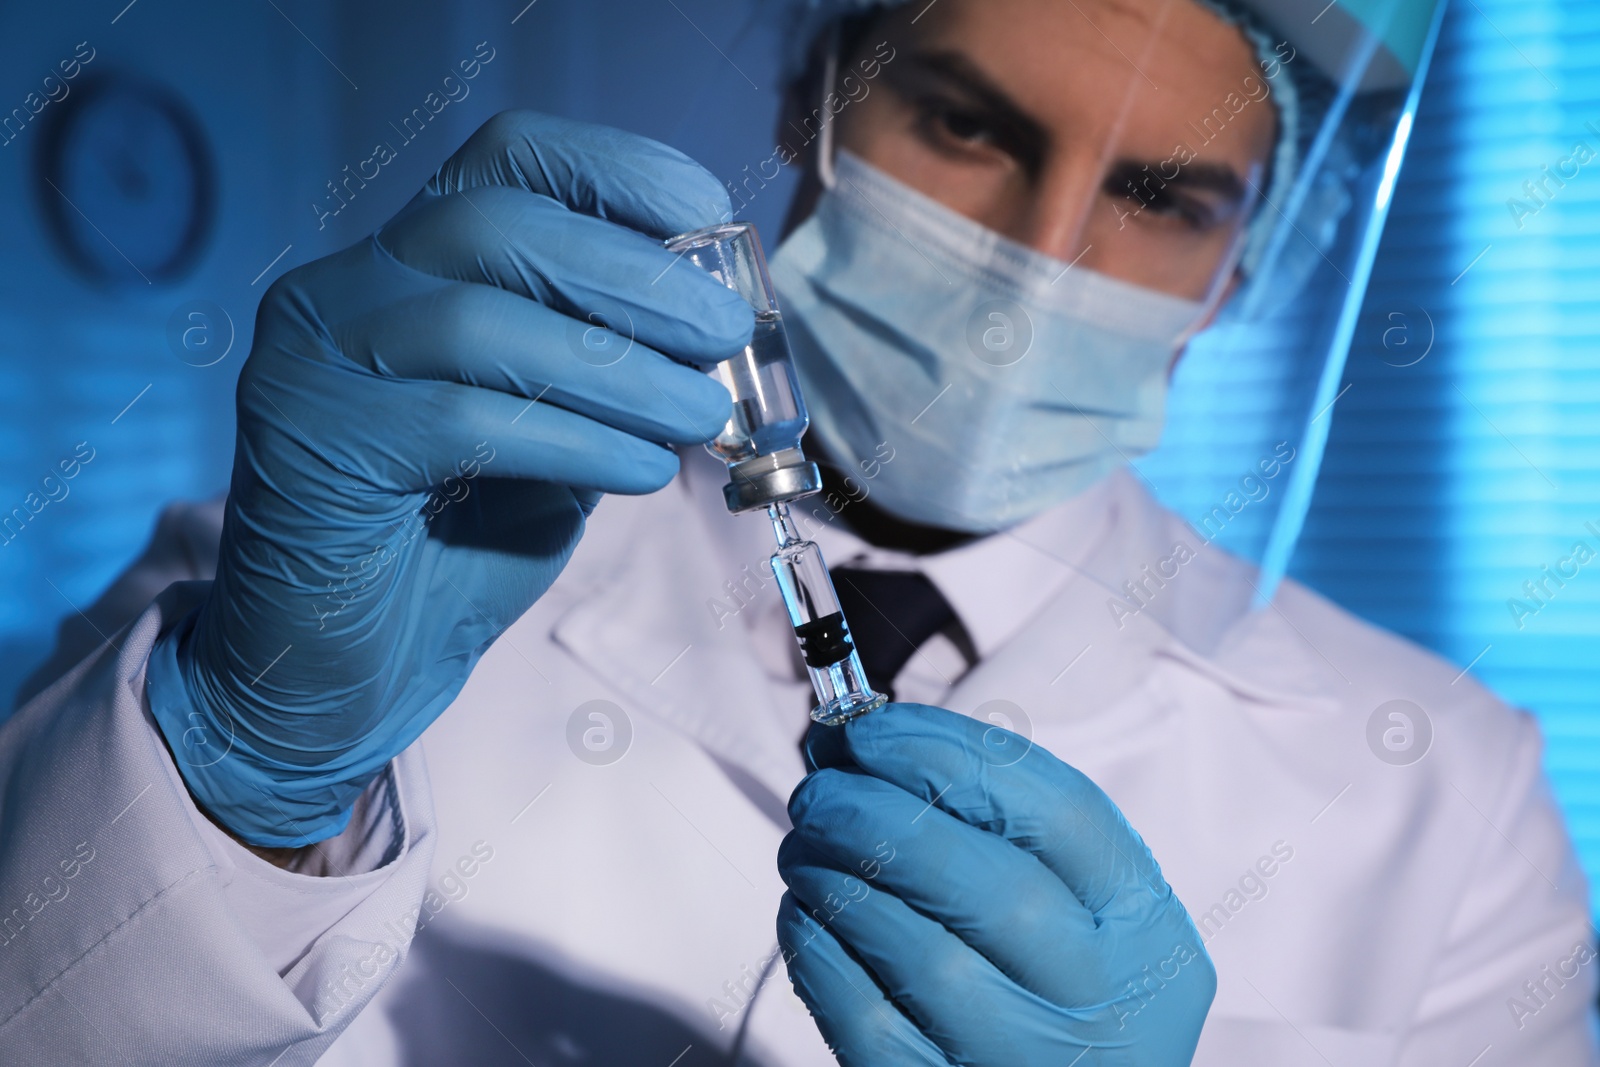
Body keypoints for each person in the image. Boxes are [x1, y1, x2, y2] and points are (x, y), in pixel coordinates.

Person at [2, 0, 1595, 1063]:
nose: (1035, 265)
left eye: (1162, 197)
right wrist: (248, 774)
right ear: (814, 108)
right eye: (968, 127)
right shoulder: (306, 569)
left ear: (1245, 267)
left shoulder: (1444, 793)